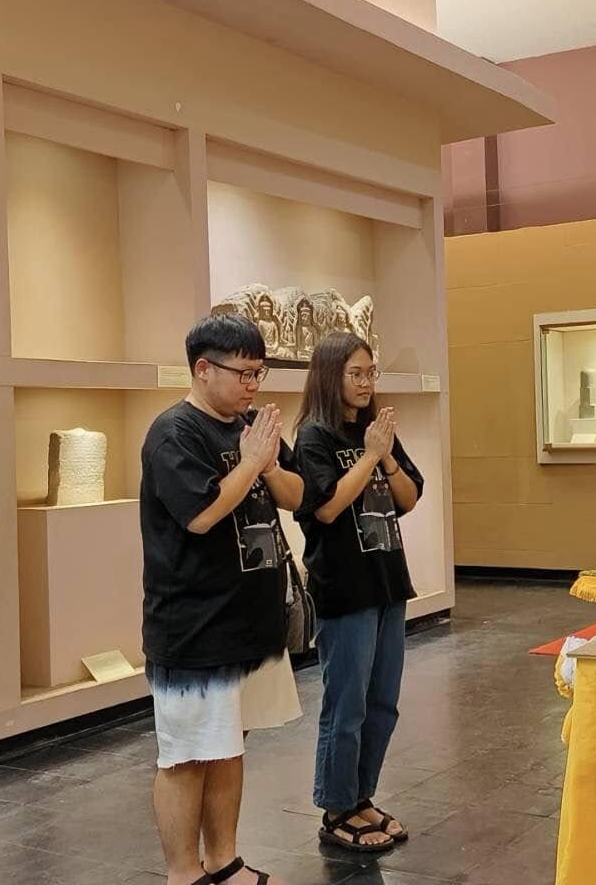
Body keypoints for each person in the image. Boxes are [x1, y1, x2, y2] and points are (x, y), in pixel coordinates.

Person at [140, 314, 305, 885]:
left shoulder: (254, 424)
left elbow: (297, 494)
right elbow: (202, 514)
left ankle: (224, 859)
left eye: (259, 373)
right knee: (187, 755)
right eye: (243, 373)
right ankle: (183, 872)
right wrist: (252, 463)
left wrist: (269, 465)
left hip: (249, 623)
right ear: (203, 368)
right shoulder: (174, 433)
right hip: (195, 626)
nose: (252, 385)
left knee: (230, 744)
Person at [293, 333, 423, 853]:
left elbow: (409, 498)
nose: (367, 383)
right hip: (344, 587)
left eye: (371, 372)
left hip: (387, 581)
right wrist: (370, 457)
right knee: (346, 705)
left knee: (382, 702)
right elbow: (326, 506)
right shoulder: (314, 437)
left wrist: (386, 458)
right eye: (356, 373)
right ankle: (336, 807)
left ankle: (361, 796)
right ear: (331, 376)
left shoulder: (375, 432)